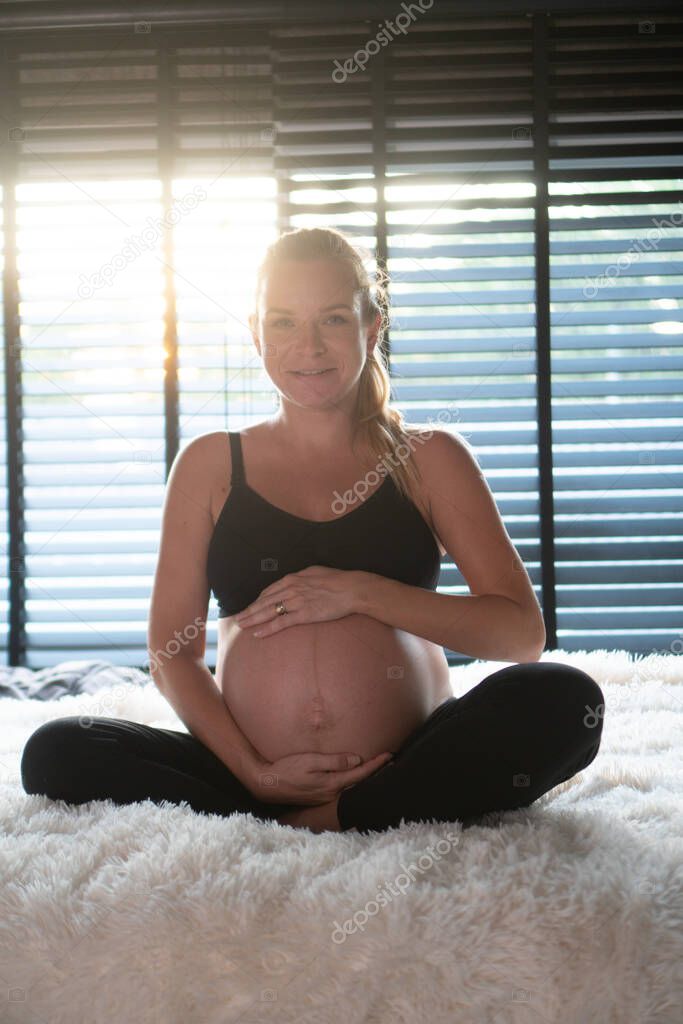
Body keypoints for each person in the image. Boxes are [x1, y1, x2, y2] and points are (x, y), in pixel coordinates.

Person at [21, 227, 605, 834]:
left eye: (331, 319)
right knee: (59, 750)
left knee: (564, 698)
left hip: (409, 757)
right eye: (282, 322)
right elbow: (174, 654)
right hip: (251, 774)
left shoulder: (430, 458)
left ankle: (318, 817)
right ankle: (311, 812)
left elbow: (518, 636)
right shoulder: (210, 464)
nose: (308, 346)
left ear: (371, 325)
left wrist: (361, 592)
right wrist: (253, 771)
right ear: (255, 332)